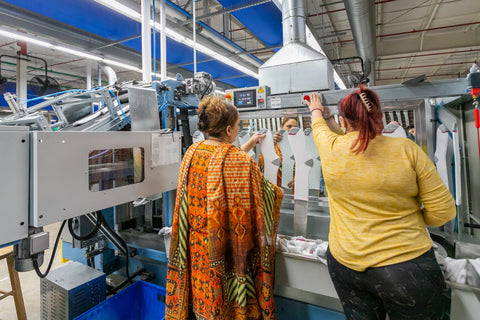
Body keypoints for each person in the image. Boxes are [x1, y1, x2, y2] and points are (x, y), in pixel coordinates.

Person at [306, 87, 456, 320]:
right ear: (379, 117)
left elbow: (319, 128)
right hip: (405, 269)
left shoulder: (331, 148)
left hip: (346, 266)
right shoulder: (407, 149)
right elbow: (444, 212)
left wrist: (317, 111)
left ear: (343, 121)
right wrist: (410, 217)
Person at [165, 96, 283, 320]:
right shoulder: (241, 162)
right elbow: (267, 193)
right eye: (238, 127)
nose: (238, 132)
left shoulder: (192, 152)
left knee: (204, 301)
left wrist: (249, 144)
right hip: (228, 255)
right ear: (229, 129)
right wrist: (279, 193)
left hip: (197, 252)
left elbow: (222, 157)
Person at [258, 117, 298, 188]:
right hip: (275, 189)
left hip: (295, 190)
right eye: (289, 126)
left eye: (295, 128)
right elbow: (261, 164)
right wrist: (271, 144)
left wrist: (299, 179)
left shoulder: (299, 148)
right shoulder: (275, 146)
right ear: (281, 127)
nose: (291, 130)